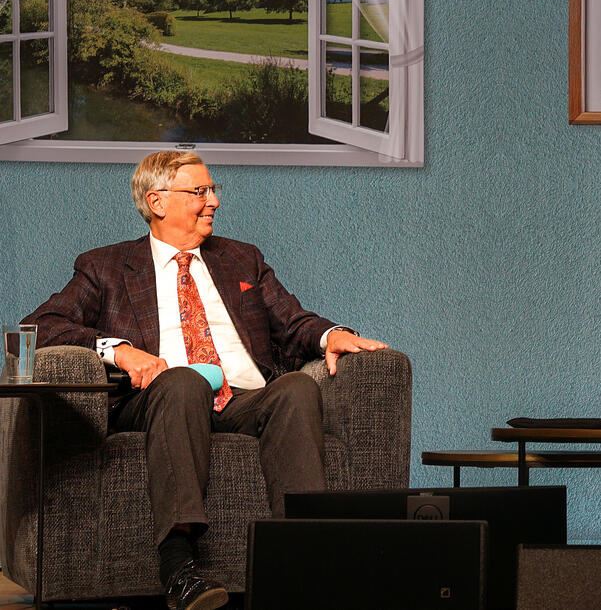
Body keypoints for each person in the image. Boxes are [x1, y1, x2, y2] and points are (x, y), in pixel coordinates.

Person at [23, 151, 388, 610]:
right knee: (182, 382)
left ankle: (304, 557)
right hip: (161, 397)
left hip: (242, 397)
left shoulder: (242, 259)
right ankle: (179, 565)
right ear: (157, 201)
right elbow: (41, 326)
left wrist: (332, 335)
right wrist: (117, 349)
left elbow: (293, 321)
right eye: (200, 191)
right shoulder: (106, 267)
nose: (213, 200)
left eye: (213, 190)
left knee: (297, 387)